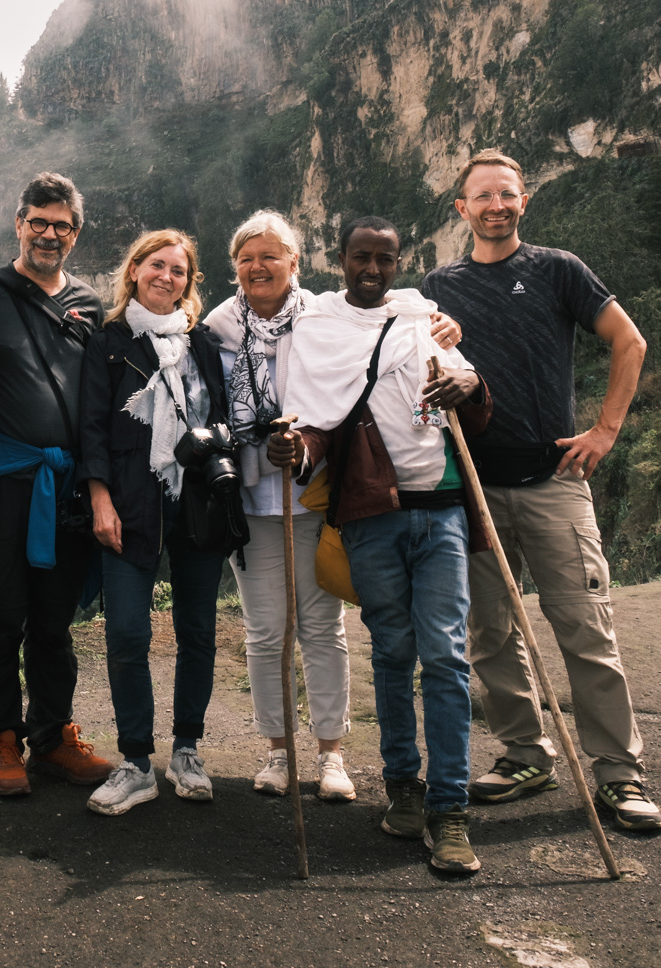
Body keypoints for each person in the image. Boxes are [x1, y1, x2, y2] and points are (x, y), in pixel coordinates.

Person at [420, 148, 661, 833]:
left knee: (586, 629)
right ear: (461, 209)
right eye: (483, 196)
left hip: (554, 480)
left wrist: (605, 432)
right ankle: (527, 753)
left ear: (524, 202)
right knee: (491, 634)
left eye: (507, 194)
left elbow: (630, 342)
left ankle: (619, 775)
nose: (496, 205)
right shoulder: (438, 286)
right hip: (473, 487)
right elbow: (419, 376)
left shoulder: (557, 270)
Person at [204, 211, 466, 803]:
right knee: (266, 631)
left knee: (322, 627)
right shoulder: (217, 328)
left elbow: (391, 315)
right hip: (250, 495)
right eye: (247, 256)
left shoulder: (321, 318)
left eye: (272, 255)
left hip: (322, 493)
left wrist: (437, 322)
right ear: (235, 266)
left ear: (296, 263)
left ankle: (331, 754)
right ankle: (277, 751)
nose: (258, 266)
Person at [270, 215, 491, 874]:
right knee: (393, 652)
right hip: (371, 517)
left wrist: (469, 384)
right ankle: (405, 789)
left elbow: (472, 400)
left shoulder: (423, 317)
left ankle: (450, 812)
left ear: (400, 261)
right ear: (341, 259)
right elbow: (316, 423)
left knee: (447, 658)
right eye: (361, 257)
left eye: (384, 259)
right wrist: (293, 447)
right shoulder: (318, 330)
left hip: (443, 510)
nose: (372, 269)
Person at [0, 173, 115, 797]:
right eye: (38, 222)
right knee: (1, 611)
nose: (50, 234)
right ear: (18, 224)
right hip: (9, 479)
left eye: (63, 225)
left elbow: (103, 390)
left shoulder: (90, 303)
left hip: (69, 482)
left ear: (75, 234)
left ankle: (52, 735)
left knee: (54, 617)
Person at [78, 230, 234, 816]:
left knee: (197, 631)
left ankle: (187, 750)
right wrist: (100, 499)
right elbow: (91, 426)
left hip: (196, 501)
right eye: (156, 265)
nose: (167, 276)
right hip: (129, 499)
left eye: (179, 270)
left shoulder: (203, 345)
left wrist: (211, 440)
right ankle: (137, 762)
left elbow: (224, 419)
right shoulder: (110, 343)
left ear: (190, 283)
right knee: (126, 633)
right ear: (134, 270)